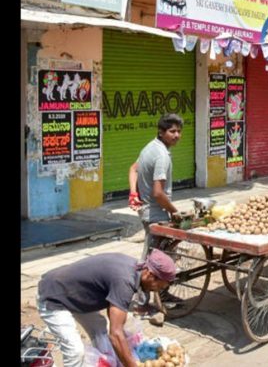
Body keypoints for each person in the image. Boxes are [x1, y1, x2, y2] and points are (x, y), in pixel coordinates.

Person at [37, 249, 176, 367]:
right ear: (150, 274)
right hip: (53, 297)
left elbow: (115, 315)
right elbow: (115, 334)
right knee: (75, 351)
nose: (157, 290)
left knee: (100, 330)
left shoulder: (135, 269)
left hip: (74, 296)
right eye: (160, 286)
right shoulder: (125, 280)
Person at [128, 113, 183, 260]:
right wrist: (175, 211)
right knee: (152, 260)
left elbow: (133, 169)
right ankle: (140, 281)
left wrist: (133, 193)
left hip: (147, 211)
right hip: (155, 215)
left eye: (179, 131)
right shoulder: (162, 156)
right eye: (172, 131)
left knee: (155, 256)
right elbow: (158, 193)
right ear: (161, 132)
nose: (177, 135)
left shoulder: (150, 147)